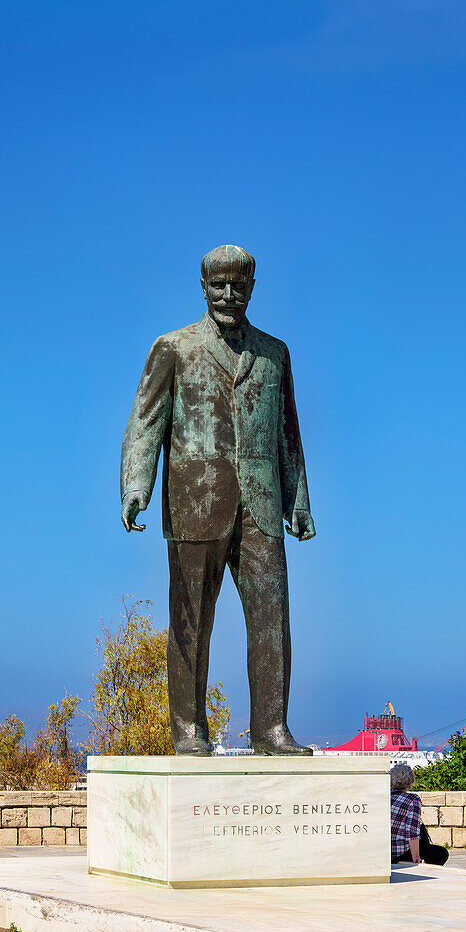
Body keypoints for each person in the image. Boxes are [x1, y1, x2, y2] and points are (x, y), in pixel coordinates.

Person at [120, 245, 316, 756]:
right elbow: (145, 423)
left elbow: (287, 433)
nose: (229, 294)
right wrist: (136, 485)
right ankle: (189, 732)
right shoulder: (174, 348)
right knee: (190, 623)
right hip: (194, 504)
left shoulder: (276, 353)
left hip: (261, 505)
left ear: (251, 288)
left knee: (272, 620)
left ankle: (271, 731)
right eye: (219, 285)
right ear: (203, 288)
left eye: (238, 285)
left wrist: (298, 499)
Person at [390, 762, 449, 865]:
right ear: (410, 782)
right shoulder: (412, 800)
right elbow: (412, 832)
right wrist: (416, 858)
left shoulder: (385, 797)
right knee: (441, 853)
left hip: (386, 853)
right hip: (400, 854)